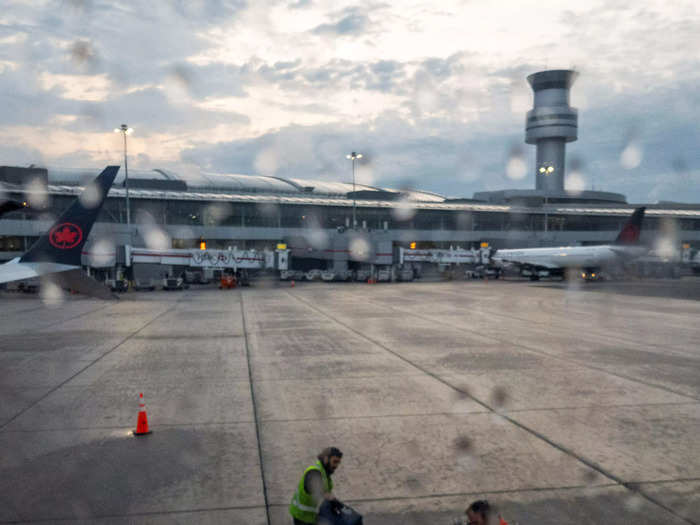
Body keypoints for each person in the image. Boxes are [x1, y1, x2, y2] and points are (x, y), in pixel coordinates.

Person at [289, 447, 343, 524]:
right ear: (326, 459)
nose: (336, 465)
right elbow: (314, 489)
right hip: (302, 517)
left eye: (338, 462)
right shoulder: (314, 471)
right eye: (334, 461)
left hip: (311, 518)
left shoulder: (325, 476)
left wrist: (333, 503)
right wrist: (332, 499)